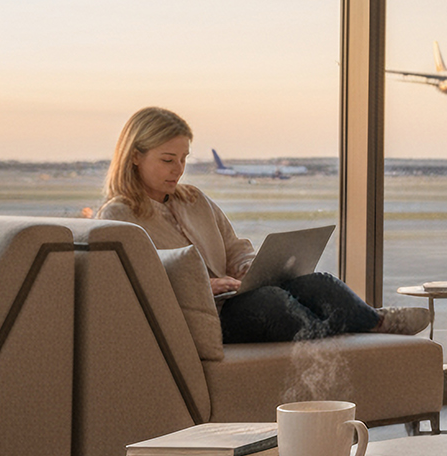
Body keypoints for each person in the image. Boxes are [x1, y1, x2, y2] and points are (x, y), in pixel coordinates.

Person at [98, 107, 430, 343]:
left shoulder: (194, 200)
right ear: (135, 157)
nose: (178, 170)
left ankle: (375, 320)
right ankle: (351, 324)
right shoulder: (119, 215)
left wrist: (248, 268)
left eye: (184, 159)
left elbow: (234, 247)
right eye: (168, 160)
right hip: (202, 315)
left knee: (316, 282)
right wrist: (205, 284)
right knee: (272, 302)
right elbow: (135, 284)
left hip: (235, 298)